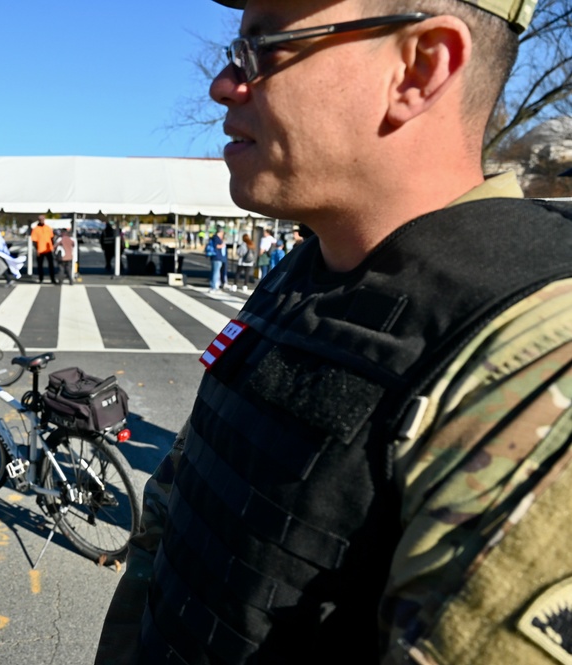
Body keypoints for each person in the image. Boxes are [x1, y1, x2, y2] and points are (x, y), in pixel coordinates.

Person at [95, 1, 572, 664]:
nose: (223, 84)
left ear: (418, 68)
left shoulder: (535, 358)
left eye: (265, 47)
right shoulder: (303, 272)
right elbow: (173, 532)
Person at [30, 216, 58, 284]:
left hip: (48, 249)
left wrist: (53, 247)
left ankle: (53, 279)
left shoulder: (48, 227)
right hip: (40, 250)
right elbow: (34, 241)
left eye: (43, 219)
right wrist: (37, 249)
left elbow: (52, 238)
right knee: (40, 265)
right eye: (40, 219)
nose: (42, 220)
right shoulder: (35, 229)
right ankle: (41, 279)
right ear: (38, 220)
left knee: (51, 265)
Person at [206, 226, 227, 293]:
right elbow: (216, 246)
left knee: (214, 272)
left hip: (215, 257)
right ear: (220, 232)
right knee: (216, 272)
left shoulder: (214, 237)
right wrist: (222, 245)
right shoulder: (216, 238)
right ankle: (214, 287)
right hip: (217, 257)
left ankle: (213, 285)